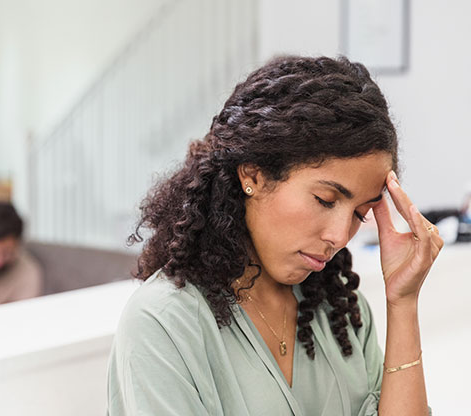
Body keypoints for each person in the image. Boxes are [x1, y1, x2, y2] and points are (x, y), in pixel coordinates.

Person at [107, 56, 441, 415]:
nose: (340, 235)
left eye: (360, 213)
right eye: (325, 200)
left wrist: (403, 304)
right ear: (253, 175)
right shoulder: (163, 325)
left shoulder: (342, 312)